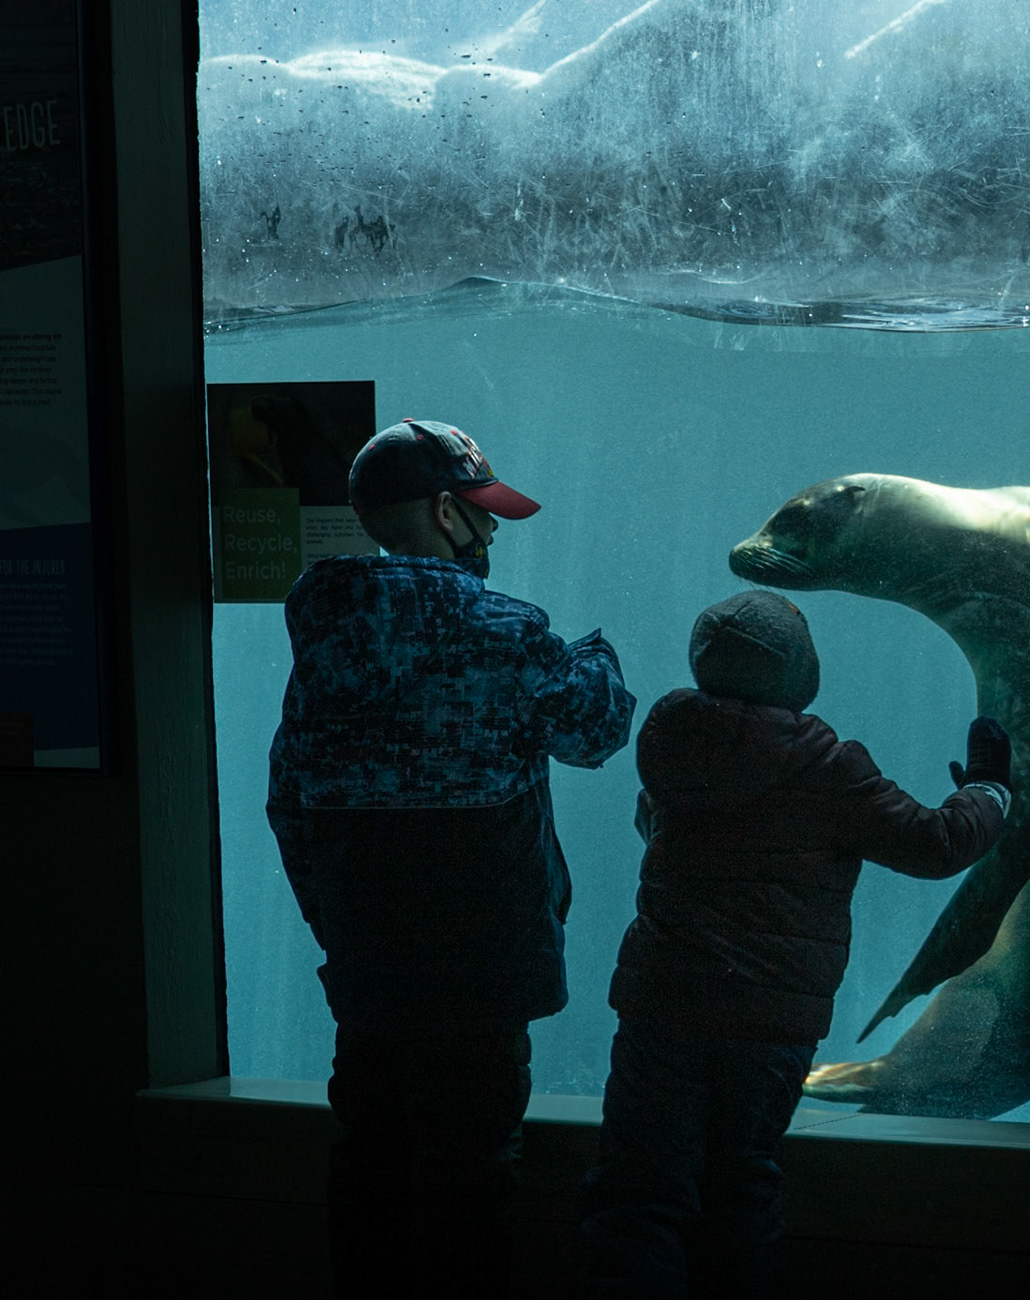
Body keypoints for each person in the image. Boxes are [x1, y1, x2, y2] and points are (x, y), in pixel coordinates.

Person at [267, 418, 637, 1299]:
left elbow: (288, 803)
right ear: (443, 511)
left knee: (370, 1153)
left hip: (369, 963)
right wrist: (594, 655)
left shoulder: (320, 644)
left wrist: (338, 924)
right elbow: (596, 732)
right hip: (484, 964)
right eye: (482, 511)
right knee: (471, 1175)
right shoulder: (505, 633)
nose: (495, 529)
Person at [581, 591, 1011, 1298]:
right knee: (739, 1187)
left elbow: (660, 831)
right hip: (769, 1024)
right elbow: (936, 843)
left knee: (637, 1195)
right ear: (798, 672)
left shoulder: (667, 742)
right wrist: (992, 790)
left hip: (662, 1006)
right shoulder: (826, 768)